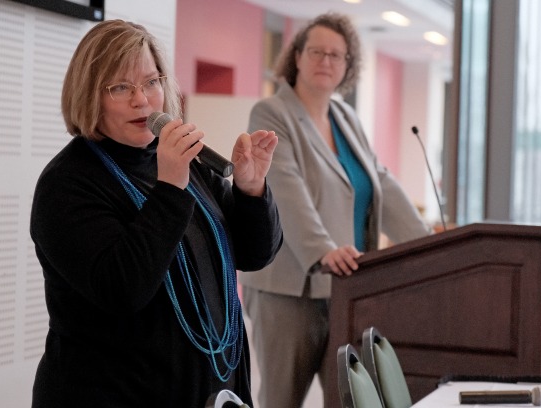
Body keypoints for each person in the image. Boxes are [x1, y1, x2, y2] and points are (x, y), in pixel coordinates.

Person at [30, 19, 282, 408]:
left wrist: (250, 190)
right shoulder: (66, 183)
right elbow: (123, 290)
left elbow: (252, 255)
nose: (141, 100)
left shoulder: (187, 161)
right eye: (120, 87)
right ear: (88, 95)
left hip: (211, 387)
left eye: (151, 82)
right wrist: (169, 188)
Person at [239, 12, 430, 408]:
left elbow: (382, 185)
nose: (326, 61)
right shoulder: (272, 112)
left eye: (336, 55)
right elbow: (287, 189)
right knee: (281, 400)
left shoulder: (347, 118)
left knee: (345, 400)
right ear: (297, 57)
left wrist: (429, 245)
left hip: (348, 287)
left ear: (348, 66)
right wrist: (323, 250)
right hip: (291, 289)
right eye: (316, 51)